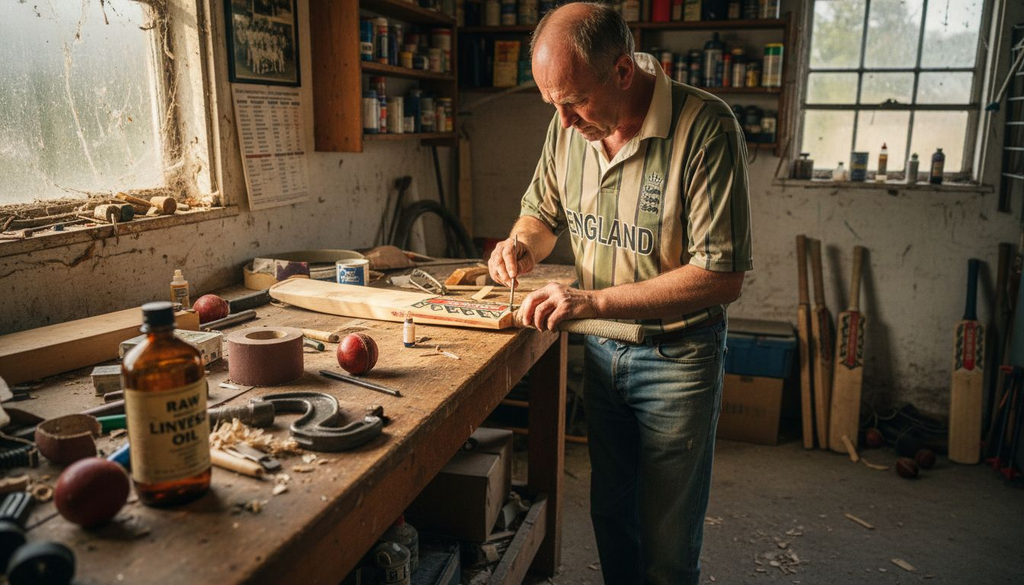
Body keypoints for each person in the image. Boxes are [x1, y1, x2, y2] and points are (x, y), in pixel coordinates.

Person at [485, 3, 752, 584]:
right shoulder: (569, 125)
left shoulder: (705, 127)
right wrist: (522, 243)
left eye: (575, 100)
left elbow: (721, 276)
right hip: (603, 354)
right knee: (611, 515)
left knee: (666, 540)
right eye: (550, 103)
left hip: (678, 358)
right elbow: (542, 211)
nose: (562, 119)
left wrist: (593, 303)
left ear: (624, 72)